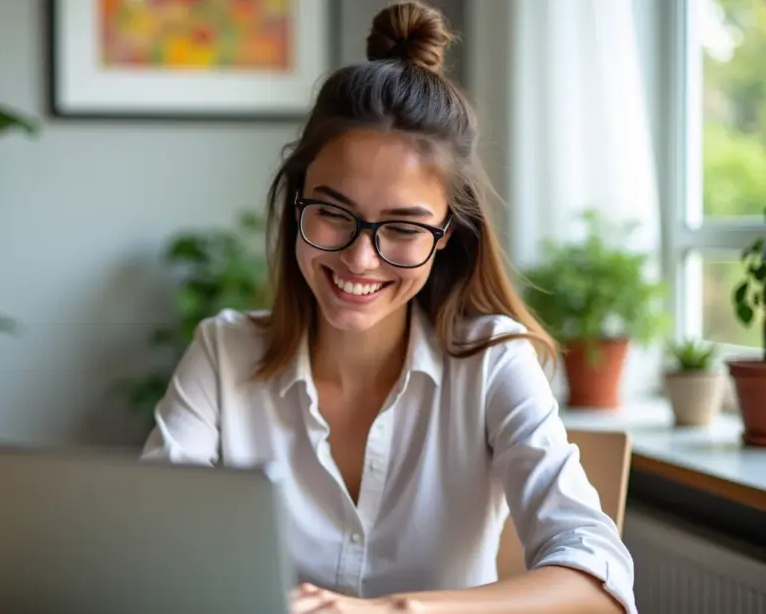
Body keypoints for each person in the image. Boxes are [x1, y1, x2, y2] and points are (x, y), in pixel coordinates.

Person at [140, 1, 636, 612]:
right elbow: (152, 555)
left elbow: (599, 583)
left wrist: (403, 611)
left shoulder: (494, 362)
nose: (360, 260)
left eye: (402, 227)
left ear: (447, 234)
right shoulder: (223, 353)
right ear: (297, 204)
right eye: (332, 212)